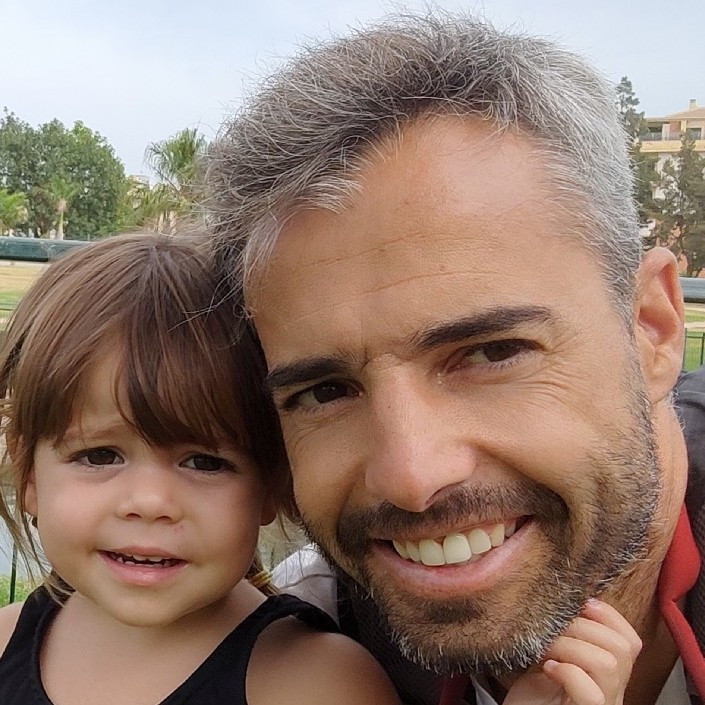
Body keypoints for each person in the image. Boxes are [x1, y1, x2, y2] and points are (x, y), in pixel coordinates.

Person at [206, 11, 705, 705]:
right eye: (325, 391)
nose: (411, 478)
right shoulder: (307, 645)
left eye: (491, 352)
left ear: (652, 329)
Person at [0, 232, 402, 705]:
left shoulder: (314, 684)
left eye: (205, 462)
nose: (150, 502)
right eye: (100, 456)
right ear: (29, 474)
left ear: (272, 484)